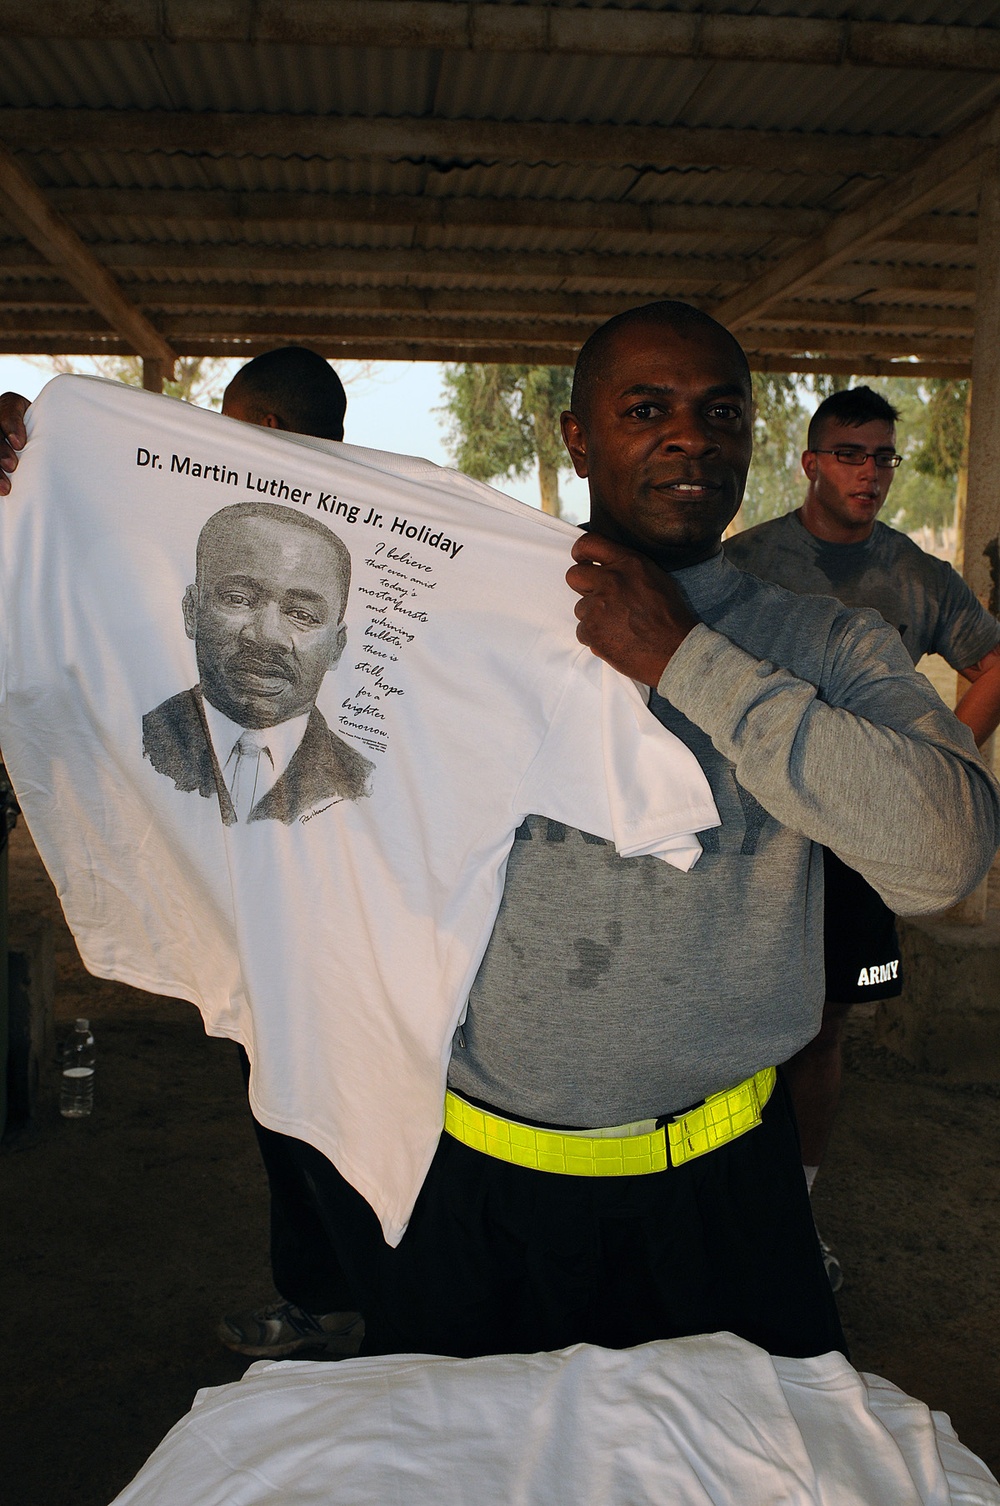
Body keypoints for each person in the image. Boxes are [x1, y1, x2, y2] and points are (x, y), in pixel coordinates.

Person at [2, 305, 997, 1364]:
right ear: (577, 437)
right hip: (472, 1184)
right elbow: (166, 634)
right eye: (646, 409)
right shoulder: (441, 615)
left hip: (726, 1187)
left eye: (720, 413)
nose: (689, 438)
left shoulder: (818, 640)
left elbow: (948, 854)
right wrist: (51, 494)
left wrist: (689, 663)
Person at [0, 347, 364, 1359]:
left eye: (236, 424)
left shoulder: (364, 547)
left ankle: (350, 1307)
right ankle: (328, 1299)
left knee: (336, 1104)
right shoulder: (227, 538)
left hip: (348, 901)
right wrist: (43, 469)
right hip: (266, 891)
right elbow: (100, 554)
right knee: (288, 1100)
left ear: (279, 436)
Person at [725, 385, 1000, 1289]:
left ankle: (795, 1218)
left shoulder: (917, 576)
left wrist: (935, 764)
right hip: (750, 837)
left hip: (851, 853)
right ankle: (716, 1206)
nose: (871, 472)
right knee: (736, 1020)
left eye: (883, 455)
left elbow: (989, 659)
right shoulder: (750, 559)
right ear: (810, 462)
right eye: (851, 453)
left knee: (825, 1026)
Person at [143, 502, 373, 825]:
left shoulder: (363, 786)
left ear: (336, 648)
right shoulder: (133, 743)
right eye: (238, 599)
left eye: (302, 615)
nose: (266, 636)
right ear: (192, 611)